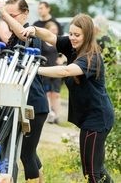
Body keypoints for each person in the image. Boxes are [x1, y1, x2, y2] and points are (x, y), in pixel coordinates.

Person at [21, 13, 115, 183]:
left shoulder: (91, 57)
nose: (72, 38)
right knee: (97, 169)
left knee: (91, 172)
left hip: (97, 118)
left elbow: (65, 71)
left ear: (87, 35)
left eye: (77, 35)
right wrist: (33, 29)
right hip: (91, 117)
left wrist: (34, 69)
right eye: (71, 33)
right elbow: (50, 36)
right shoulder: (72, 47)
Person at [0, 0, 49, 183]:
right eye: (7, 16)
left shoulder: (32, 32)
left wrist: (2, 13)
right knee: (29, 152)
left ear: (25, 13)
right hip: (21, 101)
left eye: (13, 15)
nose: (9, 19)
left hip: (35, 104)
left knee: (26, 154)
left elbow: (23, 34)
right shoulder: (12, 37)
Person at [42, 21, 65, 124]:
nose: (54, 31)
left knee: (56, 94)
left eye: (55, 29)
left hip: (57, 70)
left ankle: (57, 116)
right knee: (47, 93)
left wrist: (62, 60)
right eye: (52, 30)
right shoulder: (42, 41)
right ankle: (49, 114)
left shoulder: (59, 41)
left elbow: (67, 51)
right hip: (46, 70)